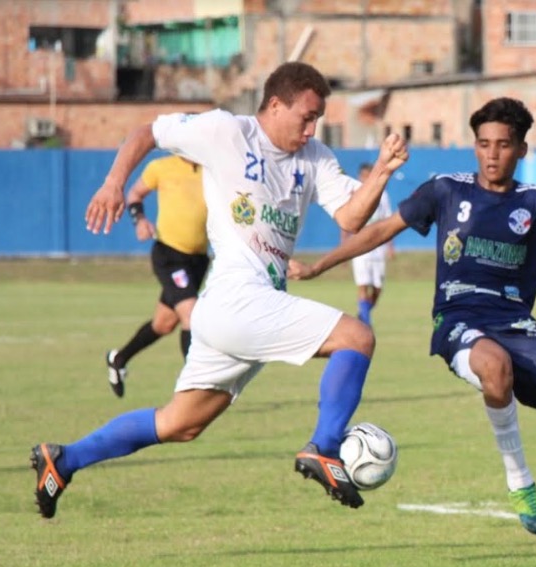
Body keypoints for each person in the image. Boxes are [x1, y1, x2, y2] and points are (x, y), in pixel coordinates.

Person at [30, 61, 409, 519]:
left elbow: (351, 218)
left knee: (179, 424)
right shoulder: (225, 131)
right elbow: (147, 131)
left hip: (238, 310)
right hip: (236, 299)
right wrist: (115, 183)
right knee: (358, 337)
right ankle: (325, 448)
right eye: (305, 116)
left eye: (317, 120)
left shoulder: (315, 159)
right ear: (274, 104)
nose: (312, 129)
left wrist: (383, 171)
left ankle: (64, 459)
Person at [288, 97, 536, 554]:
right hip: (459, 319)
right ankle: (520, 483)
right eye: (483, 144)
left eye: (503, 145)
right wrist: (322, 265)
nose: (492, 154)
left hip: (517, 323)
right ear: (474, 146)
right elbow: (381, 230)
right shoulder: (445, 190)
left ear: (521, 149)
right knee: (494, 366)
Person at [105, 154, 209, 398]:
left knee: (164, 324)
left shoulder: (211, 168)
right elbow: (135, 194)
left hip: (199, 259)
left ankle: (118, 359)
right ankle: (195, 385)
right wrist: (139, 220)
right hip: (169, 255)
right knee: (191, 315)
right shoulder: (161, 167)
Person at [341, 162, 394, 326]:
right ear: (359, 176)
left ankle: (363, 314)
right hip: (359, 246)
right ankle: (365, 323)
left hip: (378, 247)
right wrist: (344, 247)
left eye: (368, 175)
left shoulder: (382, 195)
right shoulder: (353, 194)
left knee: (377, 288)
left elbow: (388, 221)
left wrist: (390, 246)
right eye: (363, 176)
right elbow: (345, 222)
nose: (365, 179)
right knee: (363, 285)